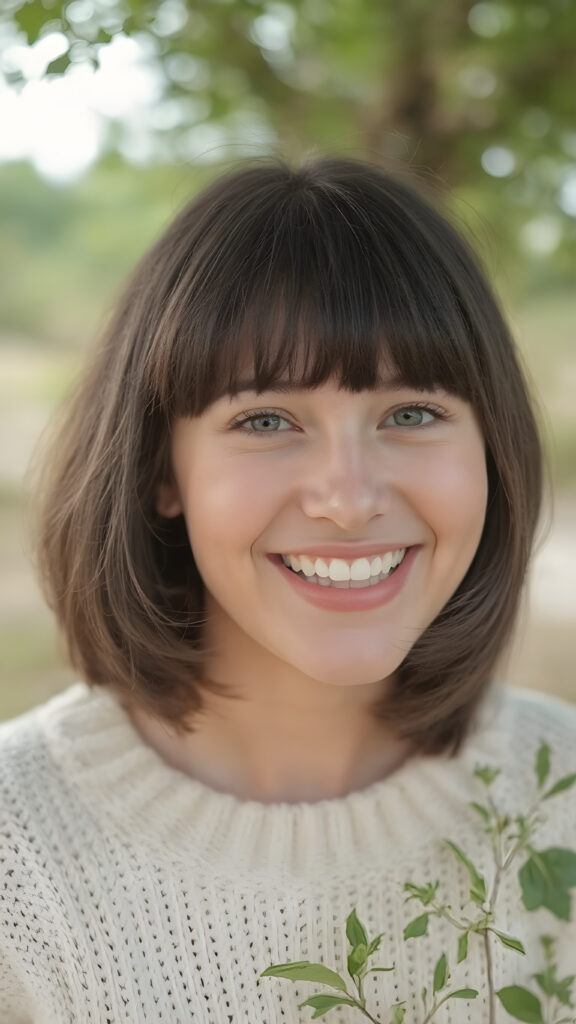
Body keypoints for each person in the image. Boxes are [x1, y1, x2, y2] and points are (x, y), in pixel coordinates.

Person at [1, 154, 574, 1024]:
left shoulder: (560, 790)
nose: (348, 499)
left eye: (412, 414)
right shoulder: (20, 856)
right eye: (266, 420)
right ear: (162, 469)